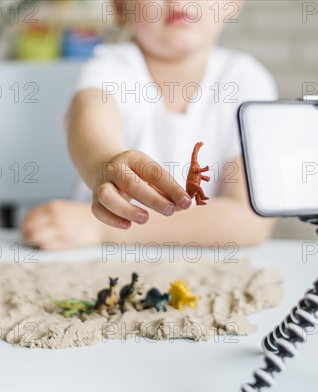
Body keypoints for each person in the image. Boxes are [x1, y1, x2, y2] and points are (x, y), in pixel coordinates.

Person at [22, 0, 277, 250]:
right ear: (120, 7)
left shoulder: (247, 81)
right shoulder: (109, 68)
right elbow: (90, 114)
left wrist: (102, 227)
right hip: (96, 261)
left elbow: (250, 218)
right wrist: (105, 163)